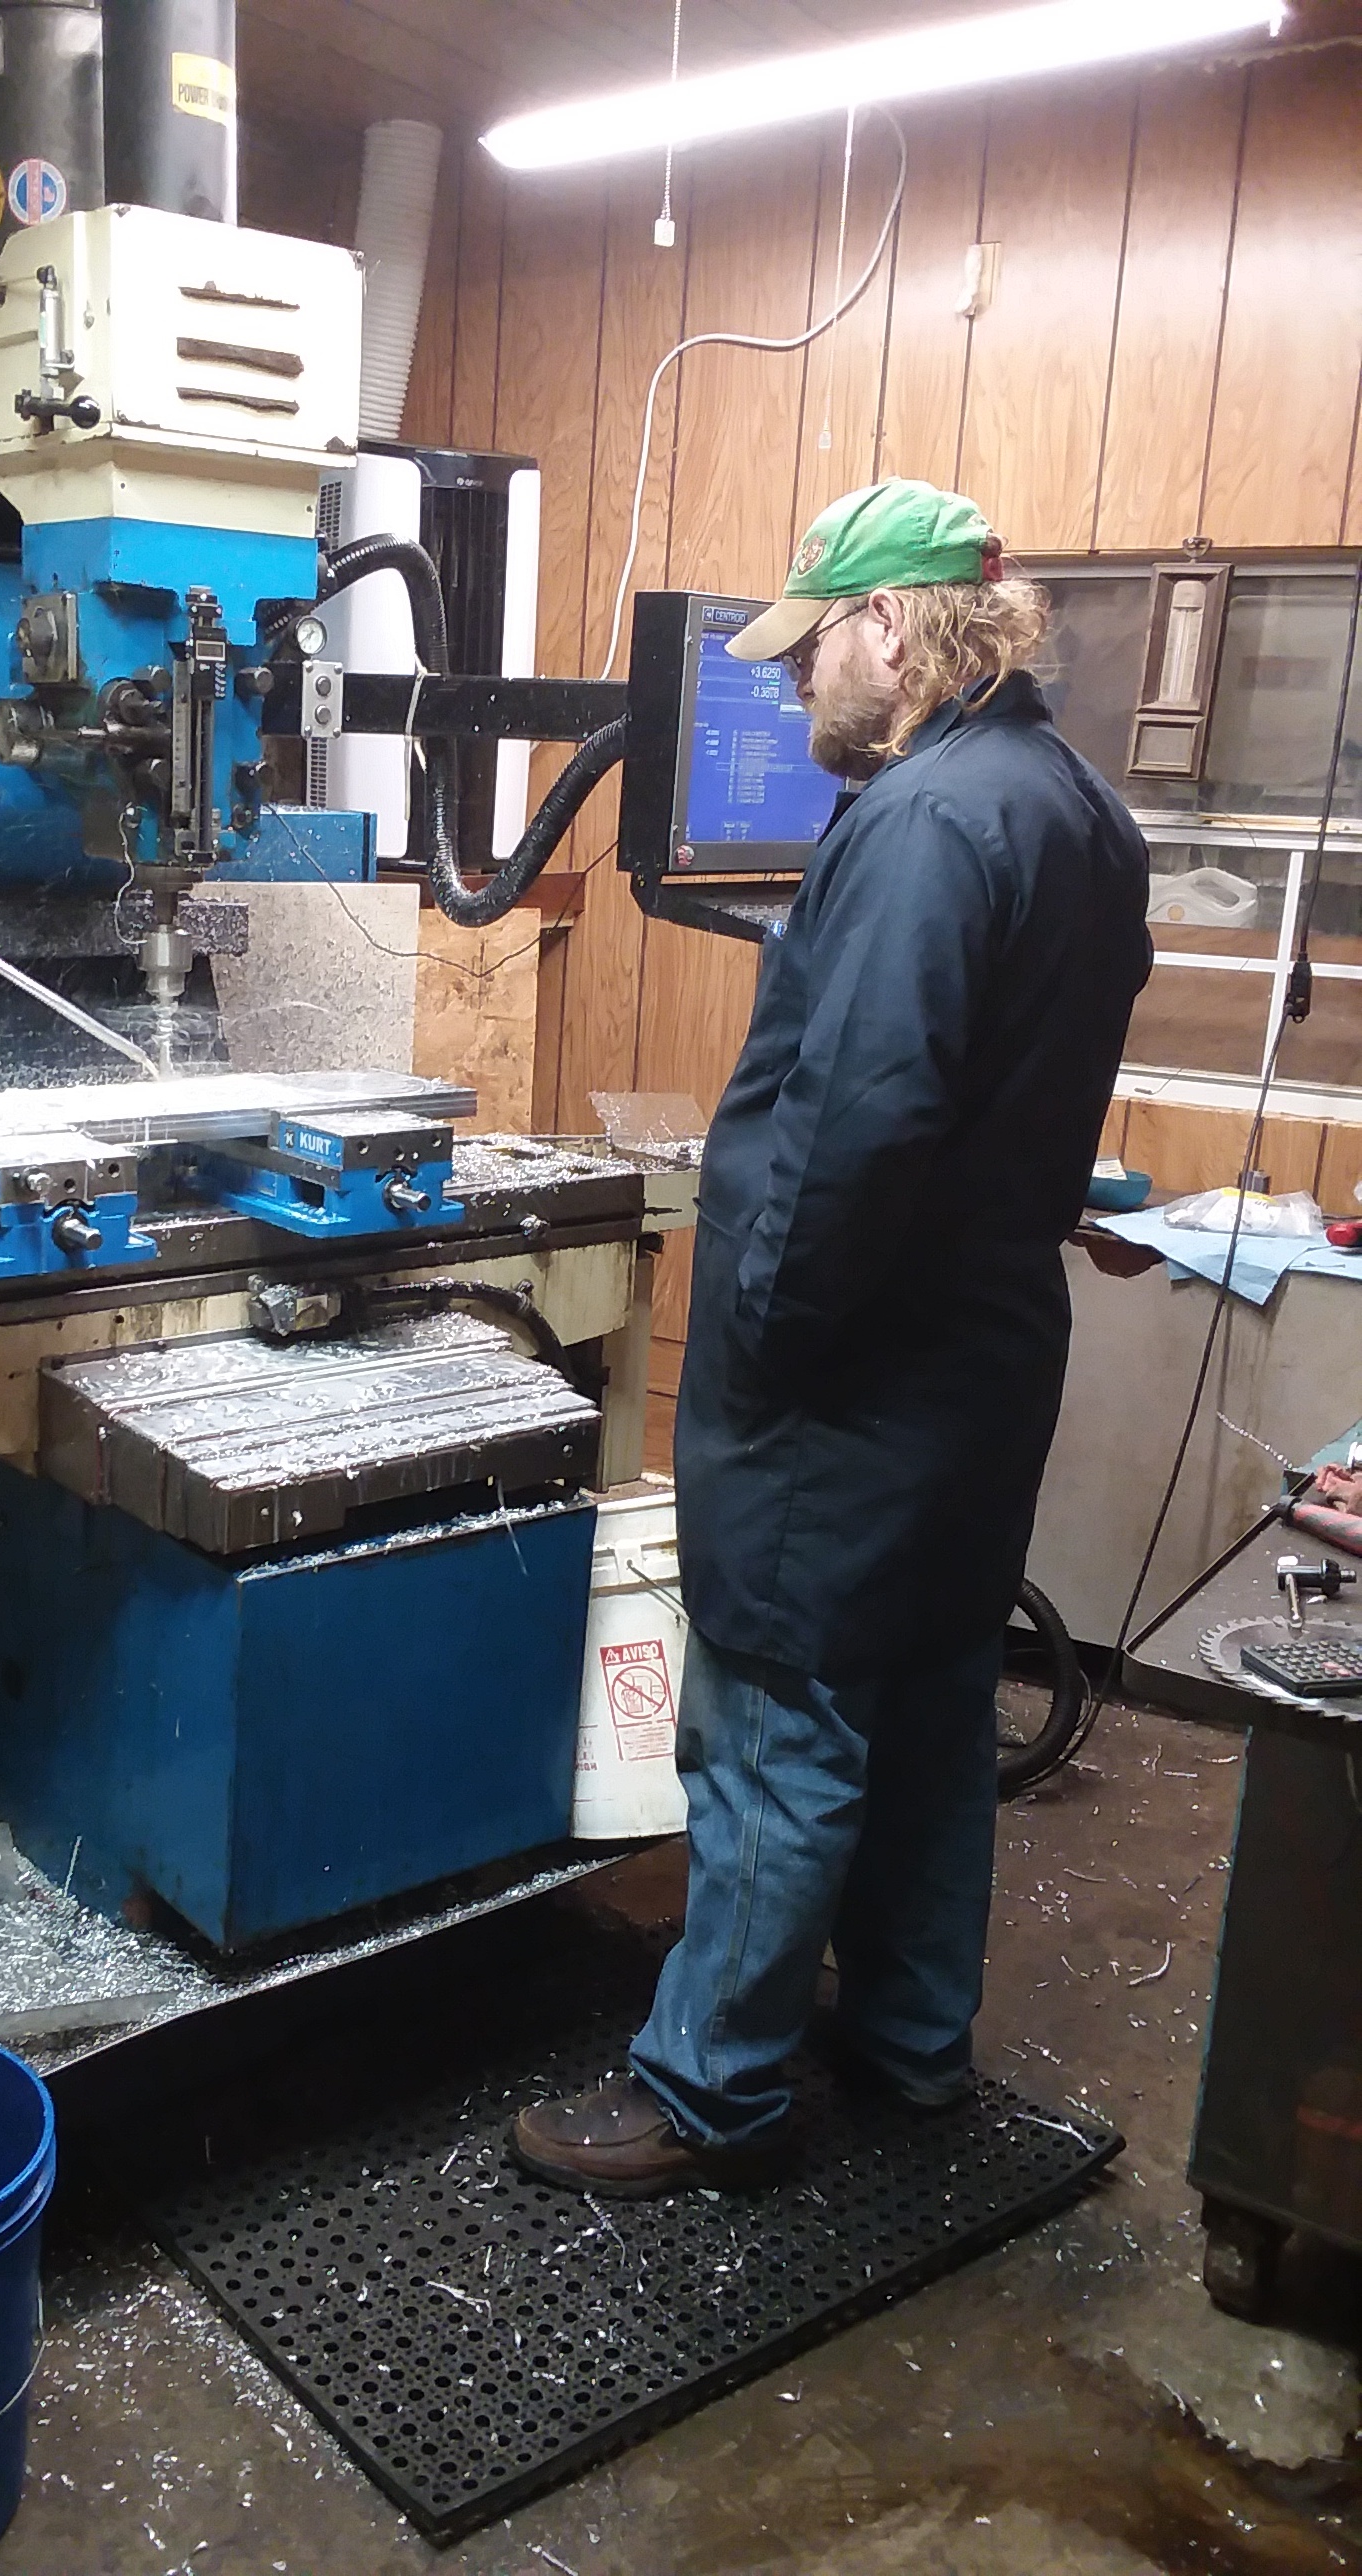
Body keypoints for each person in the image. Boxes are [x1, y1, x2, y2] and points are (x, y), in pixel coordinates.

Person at [512, 478, 1153, 2197]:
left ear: (892, 623)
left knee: (778, 1727)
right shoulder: (1078, 807)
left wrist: (765, 1343)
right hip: (983, 1360)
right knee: (934, 1705)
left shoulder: (926, 822)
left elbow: (858, 1120)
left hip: (852, 1372)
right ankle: (912, 2040)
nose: (797, 686)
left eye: (812, 652)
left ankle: (708, 2085)